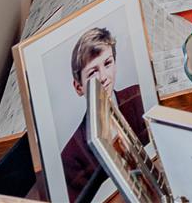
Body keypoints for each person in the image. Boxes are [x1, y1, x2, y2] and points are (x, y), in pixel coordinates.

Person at [59, 27, 146, 201]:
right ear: (79, 87)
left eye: (108, 63)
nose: (104, 77)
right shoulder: (71, 156)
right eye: (93, 72)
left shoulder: (139, 98)